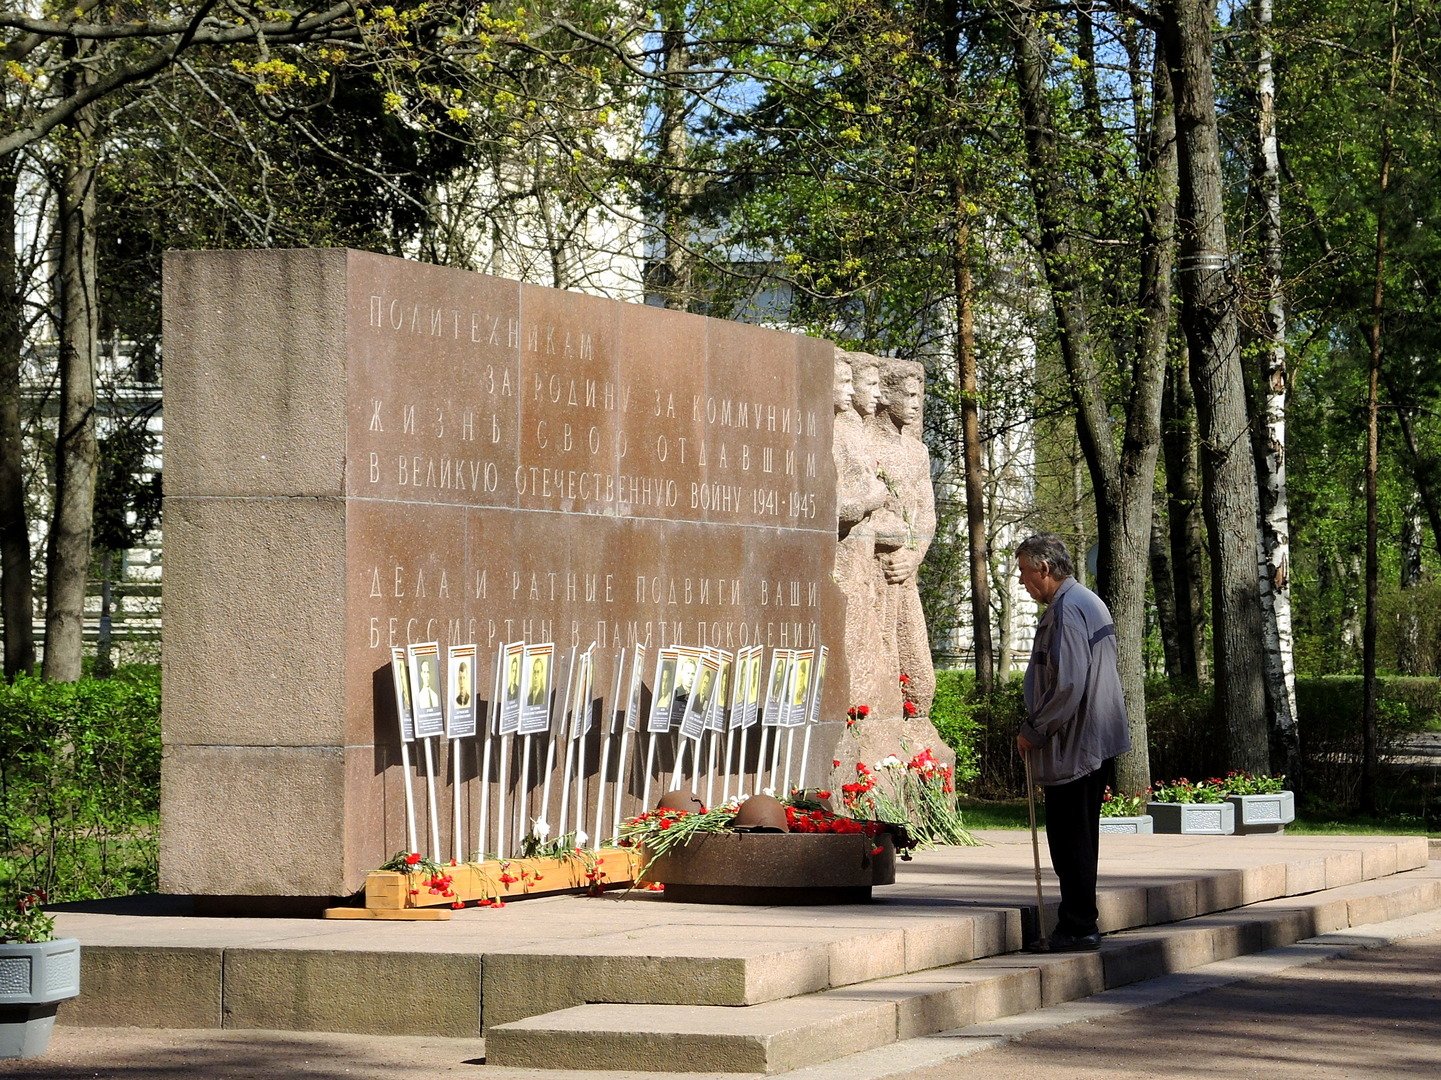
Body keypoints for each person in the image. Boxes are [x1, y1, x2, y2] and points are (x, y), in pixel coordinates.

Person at [1015, 533, 1131, 953]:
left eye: (1026, 573)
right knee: (1078, 835)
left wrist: (1034, 729)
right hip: (1088, 739)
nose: (1023, 582)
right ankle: (1077, 921)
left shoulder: (1068, 610)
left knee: (1071, 838)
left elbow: (1067, 684)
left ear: (1045, 569)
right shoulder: (1084, 601)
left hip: (1075, 744)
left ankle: (1079, 925)